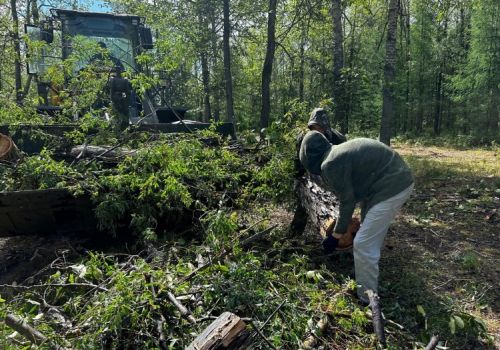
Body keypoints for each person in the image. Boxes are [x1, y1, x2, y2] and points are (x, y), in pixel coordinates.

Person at [299, 131, 414, 303]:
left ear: (309, 158)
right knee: (368, 233)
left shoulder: (329, 164)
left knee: (363, 243)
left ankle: (367, 298)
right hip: (387, 183)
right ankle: (364, 273)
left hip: (392, 185)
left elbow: (348, 201)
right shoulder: (335, 153)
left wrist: (336, 235)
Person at [291, 108, 346, 234]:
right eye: (313, 127)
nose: (317, 130)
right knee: (304, 203)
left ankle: (340, 240)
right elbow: (299, 159)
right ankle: (294, 235)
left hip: (331, 176)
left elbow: (343, 164)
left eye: (319, 127)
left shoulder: (338, 139)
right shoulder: (304, 138)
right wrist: (299, 179)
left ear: (326, 126)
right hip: (310, 175)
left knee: (337, 209)